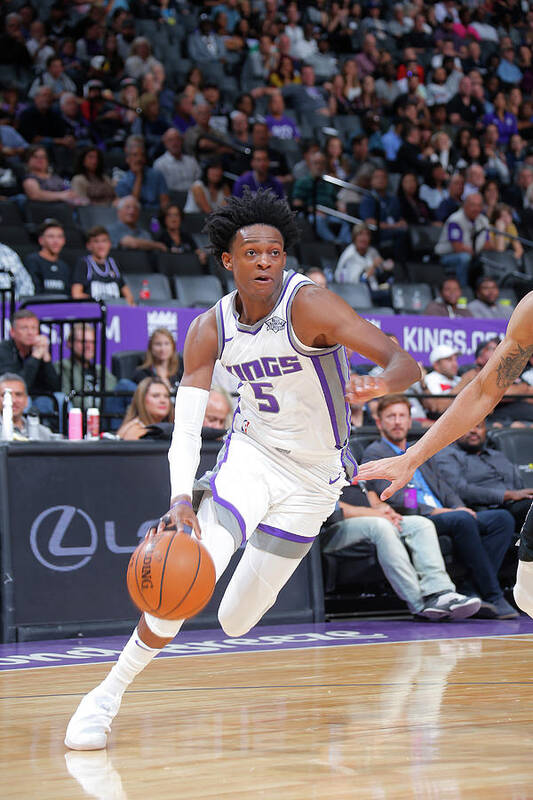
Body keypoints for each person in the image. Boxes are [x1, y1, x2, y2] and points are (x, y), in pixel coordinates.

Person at [64, 189, 420, 750]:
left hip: (315, 481)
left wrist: (378, 384)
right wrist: (181, 497)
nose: (264, 263)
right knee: (188, 567)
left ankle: (247, 577)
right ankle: (103, 697)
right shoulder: (210, 328)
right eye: (252, 253)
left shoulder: (312, 306)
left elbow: (405, 361)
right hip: (250, 457)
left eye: (274, 253)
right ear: (228, 260)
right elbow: (184, 428)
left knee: (236, 621)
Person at [357, 291, 533, 621]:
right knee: (527, 592)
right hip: (421, 512)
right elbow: (482, 392)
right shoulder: (531, 310)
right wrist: (412, 457)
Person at [361, 395, 517, 619]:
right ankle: (492, 594)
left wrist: (460, 506)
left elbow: (445, 488)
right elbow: (396, 497)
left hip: (448, 513)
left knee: (501, 519)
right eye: (391, 417)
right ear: (379, 423)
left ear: (409, 420)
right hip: (418, 517)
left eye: (402, 416)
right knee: (460, 520)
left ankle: (471, 588)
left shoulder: (418, 450)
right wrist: (438, 511)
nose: (397, 422)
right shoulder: (375, 453)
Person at [322, 477, 480, 620]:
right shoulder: (317, 459)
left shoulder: (348, 459)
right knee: (382, 526)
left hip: (374, 517)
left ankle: (440, 592)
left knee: (421, 524)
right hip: (335, 525)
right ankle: (419, 605)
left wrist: (384, 509)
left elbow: (371, 495)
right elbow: (329, 505)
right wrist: (375, 514)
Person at [435, 418, 533, 530]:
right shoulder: (447, 455)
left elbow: (518, 484)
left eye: (478, 426)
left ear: (485, 430)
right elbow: (460, 489)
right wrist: (510, 495)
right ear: (456, 430)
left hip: (519, 504)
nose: (473, 431)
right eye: (467, 427)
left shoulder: (497, 455)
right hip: (490, 509)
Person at [434, 193, 492, 287]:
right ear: (465, 205)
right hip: (448, 256)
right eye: (473, 205)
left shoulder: (483, 221)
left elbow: (487, 244)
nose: (476, 209)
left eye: (479, 205)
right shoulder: (455, 220)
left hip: (472, 255)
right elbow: (458, 247)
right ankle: (463, 288)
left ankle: (485, 288)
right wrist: (476, 254)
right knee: (464, 257)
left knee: (487, 259)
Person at [0, 309, 60, 399]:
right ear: (12, 332)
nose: (30, 333)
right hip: (13, 398)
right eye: (24, 328)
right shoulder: (4, 350)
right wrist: (35, 357)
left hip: (39, 398)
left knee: (60, 398)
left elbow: (56, 387)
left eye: (34, 328)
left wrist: (46, 357)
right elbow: (16, 387)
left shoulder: (39, 349)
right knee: (24, 401)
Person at [71, 227, 135, 305]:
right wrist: (101, 303)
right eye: (96, 241)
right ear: (88, 245)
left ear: (109, 244)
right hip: (95, 311)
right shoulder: (84, 263)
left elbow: (129, 296)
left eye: (104, 241)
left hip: (115, 311)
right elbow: (76, 295)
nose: (101, 245)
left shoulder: (113, 264)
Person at [115, 137, 169, 210]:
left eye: (142, 155)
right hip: (135, 217)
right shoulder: (122, 182)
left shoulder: (157, 175)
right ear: (127, 159)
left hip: (157, 216)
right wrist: (139, 176)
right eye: (135, 155)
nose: (139, 159)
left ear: (145, 158)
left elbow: (164, 201)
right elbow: (132, 207)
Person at [0, 373, 56, 441]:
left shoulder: (43, 433)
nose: (13, 400)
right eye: (6, 395)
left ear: (26, 400)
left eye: (18, 394)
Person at [24, 219, 71, 296]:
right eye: (51, 236)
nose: (56, 241)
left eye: (60, 237)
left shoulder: (64, 266)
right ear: (41, 240)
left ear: (64, 240)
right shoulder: (32, 261)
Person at [133, 327, 183, 392]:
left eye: (167, 343)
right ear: (151, 347)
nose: (163, 349)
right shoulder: (142, 373)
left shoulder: (181, 370)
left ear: (173, 346)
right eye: (158, 344)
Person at [153, 128, 201, 193]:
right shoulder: (159, 164)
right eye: (170, 140)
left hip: (193, 196)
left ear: (181, 141)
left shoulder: (192, 161)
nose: (174, 143)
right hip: (172, 198)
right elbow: (160, 190)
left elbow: (199, 181)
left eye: (177, 139)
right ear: (165, 143)